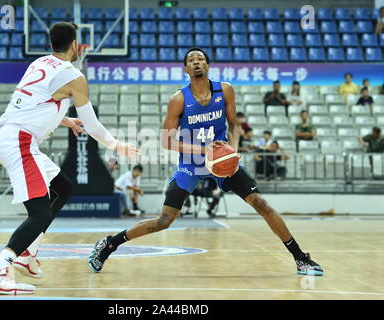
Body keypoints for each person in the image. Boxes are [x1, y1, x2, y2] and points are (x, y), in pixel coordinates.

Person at [88, 47, 323, 277]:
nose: (197, 62)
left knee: (261, 204)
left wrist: (233, 150)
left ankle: (300, 257)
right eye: (192, 60)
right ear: (186, 69)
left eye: (201, 59)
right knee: (164, 220)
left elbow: (235, 127)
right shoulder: (178, 100)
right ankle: (109, 244)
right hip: (191, 164)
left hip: (222, 163)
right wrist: (203, 149)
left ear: (208, 66)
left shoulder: (226, 90)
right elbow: (167, 142)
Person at [0, 22, 140, 295]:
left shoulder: (40, 63)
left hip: (12, 136)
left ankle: (28, 253)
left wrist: (64, 120)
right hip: (21, 142)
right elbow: (94, 125)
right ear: (76, 44)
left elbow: (31, 104)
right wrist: (116, 144)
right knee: (39, 213)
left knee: (63, 188)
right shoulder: (74, 76)